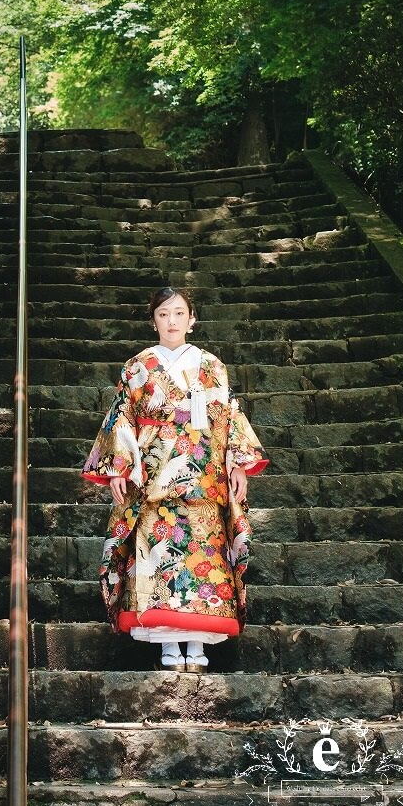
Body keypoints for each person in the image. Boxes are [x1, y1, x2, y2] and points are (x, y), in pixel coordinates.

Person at [82, 286, 268, 672]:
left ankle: (198, 644)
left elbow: (228, 415)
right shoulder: (137, 367)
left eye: (179, 313)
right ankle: (166, 645)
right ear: (154, 322)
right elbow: (123, 416)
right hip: (151, 473)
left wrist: (237, 464)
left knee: (203, 552)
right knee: (158, 556)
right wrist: (118, 466)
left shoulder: (212, 366)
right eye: (164, 314)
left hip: (204, 471)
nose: (172, 320)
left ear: (192, 320)